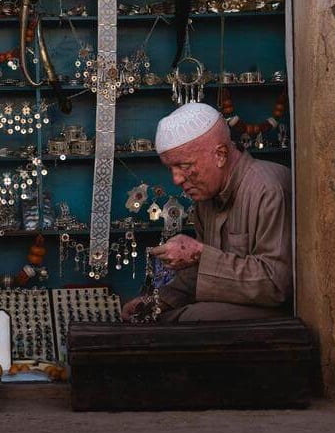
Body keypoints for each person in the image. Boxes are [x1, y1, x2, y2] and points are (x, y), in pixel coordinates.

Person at [121, 102, 292, 323]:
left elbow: (276, 286)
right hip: (232, 305)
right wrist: (159, 300)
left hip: (275, 310)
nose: (176, 179)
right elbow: (200, 275)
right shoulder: (206, 198)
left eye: (184, 166)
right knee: (153, 315)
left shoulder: (267, 188)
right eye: (170, 169)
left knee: (192, 320)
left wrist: (200, 254)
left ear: (220, 155)